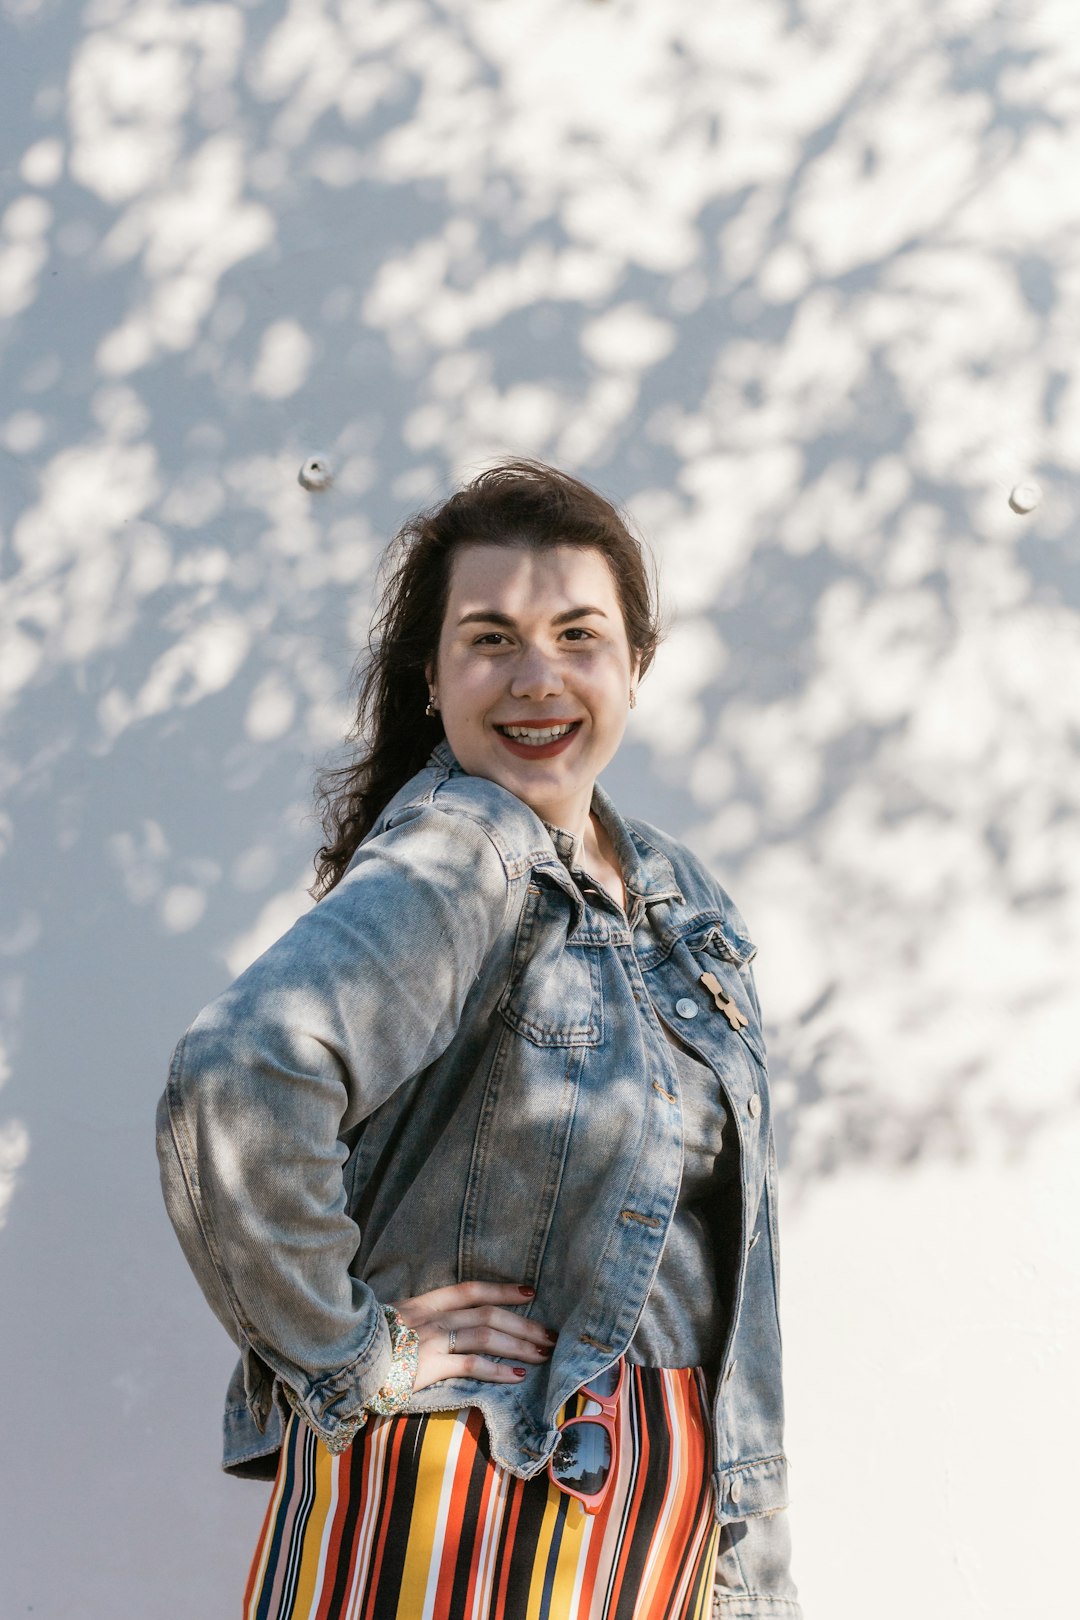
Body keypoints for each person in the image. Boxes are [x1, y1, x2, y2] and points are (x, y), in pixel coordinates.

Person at [156, 461, 801, 1620]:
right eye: (491, 639)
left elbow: (716, 1282)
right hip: (470, 1498)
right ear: (436, 676)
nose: (536, 677)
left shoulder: (673, 892)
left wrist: (745, 1566)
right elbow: (241, 1074)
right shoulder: (466, 850)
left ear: (636, 665)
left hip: (644, 1505)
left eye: (577, 634)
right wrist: (355, 1354)